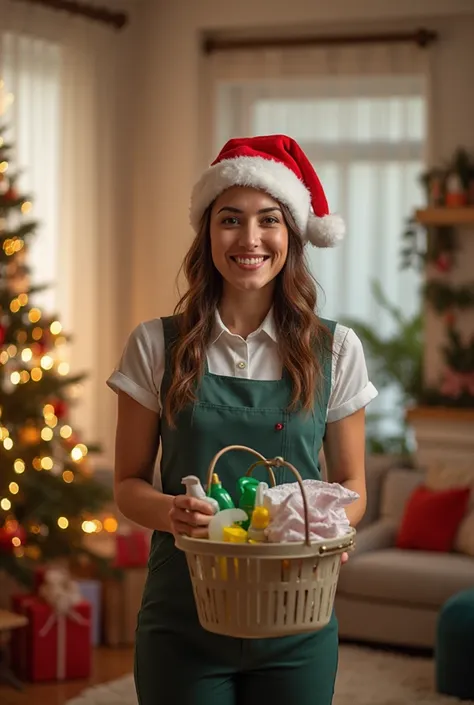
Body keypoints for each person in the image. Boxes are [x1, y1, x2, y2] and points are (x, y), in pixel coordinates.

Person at [107, 134, 378, 705]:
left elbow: (352, 486)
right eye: (230, 219)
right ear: (207, 232)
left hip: (297, 618)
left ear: (293, 235)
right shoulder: (156, 345)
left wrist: (326, 527)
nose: (249, 239)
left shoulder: (336, 350)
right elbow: (128, 485)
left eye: (269, 220)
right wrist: (171, 511)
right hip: (183, 617)